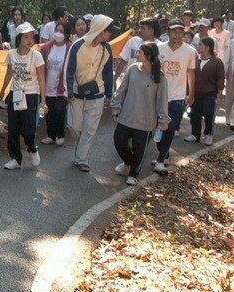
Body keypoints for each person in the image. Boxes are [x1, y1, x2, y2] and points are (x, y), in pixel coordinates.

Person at [66, 13, 115, 173]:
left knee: (90, 129)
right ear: (100, 30)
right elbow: (69, 69)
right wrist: (69, 92)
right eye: (108, 31)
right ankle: (80, 147)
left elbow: (108, 72)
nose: (110, 34)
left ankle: (81, 158)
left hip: (97, 93)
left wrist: (109, 94)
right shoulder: (78, 45)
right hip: (76, 94)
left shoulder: (106, 48)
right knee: (74, 126)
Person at [111, 42, 161, 186]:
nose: (136, 54)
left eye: (139, 52)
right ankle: (128, 162)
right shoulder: (132, 69)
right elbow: (122, 90)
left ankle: (134, 173)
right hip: (127, 116)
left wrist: (162, 120)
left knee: (139, 148)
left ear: (148, 55)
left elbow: (161, 101)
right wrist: (116, 107)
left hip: (146, 121)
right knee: (119, 141)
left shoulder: (159, 76)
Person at [151, 21, 195, 173]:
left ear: (184, 33)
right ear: (168, 32)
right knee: (157, 127)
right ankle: (163, 153)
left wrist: (191, 93)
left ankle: (161, 160)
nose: (177, 34)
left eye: (180, 31)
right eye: (174, 31)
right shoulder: (159, 48)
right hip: (158, 96)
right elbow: (153, 70)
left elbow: (190, 72)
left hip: (177, 97)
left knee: (169, 129)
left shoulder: (190, 51)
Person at [2, 23, 45, 170]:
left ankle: (32, 148)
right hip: (16, 94)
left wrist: (43, 101)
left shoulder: (36, 56)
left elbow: (41, 79)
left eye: (31, 37)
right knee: (13, 128)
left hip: (32, 95)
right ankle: (15, 159)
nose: (29, 40)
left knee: (28, 128)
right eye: (26, 37)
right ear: (19, 38)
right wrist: (3, 91)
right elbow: (8, 74)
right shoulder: (11, 54)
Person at [187, 36, 223, 146]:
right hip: (196, 93)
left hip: (210, 94)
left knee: (209, 114)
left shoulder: (217, 62)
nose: (198, 47)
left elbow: (221, 78)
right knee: (194, 115)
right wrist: (189, 92)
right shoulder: (195, 60)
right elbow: (190, 75)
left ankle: (208, 134)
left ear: (207, 48)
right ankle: (195, 134)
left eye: (200, 45)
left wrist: (219, 93)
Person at [42, 21, 71, 146]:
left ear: (67, 34)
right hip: (47, 86)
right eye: (57, 30)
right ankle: (51, 135)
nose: (58, 33)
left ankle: (60, 134)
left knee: (59, 110)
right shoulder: (46, 47)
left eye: (61, 31)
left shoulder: (70, 48)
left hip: (61, 88)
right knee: (48, 111)